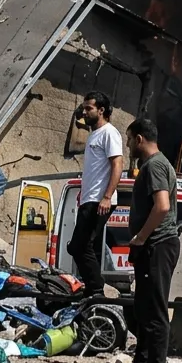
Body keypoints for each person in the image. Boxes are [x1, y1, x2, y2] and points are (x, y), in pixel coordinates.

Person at [122, 117, 180, 363]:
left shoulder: (155, 166)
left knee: (155, 309)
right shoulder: (154, 165)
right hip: (151, 246)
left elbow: (162, 206)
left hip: (158, 244)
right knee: (144, 307)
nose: (127, 145)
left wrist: (142, 236)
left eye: (129, 139)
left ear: (139, 139)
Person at [66, 92, 123, 296]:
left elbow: (117, 164)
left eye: (89, 108)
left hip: (99, 200)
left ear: (101, 110)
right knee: (81, 246)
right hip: (89, 199)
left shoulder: (110, 133)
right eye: (84, 107)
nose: (84, 111)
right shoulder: (93, 135)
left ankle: (95, 288)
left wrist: (107, 196)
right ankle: (93, 285)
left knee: (79, 246)